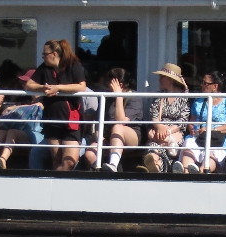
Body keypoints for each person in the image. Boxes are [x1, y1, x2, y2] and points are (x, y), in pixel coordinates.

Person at [26, 39, 89, 172]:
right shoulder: (44, 68)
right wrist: (42, 87)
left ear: (54, 54)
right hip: (52, 119)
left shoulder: (73, 65)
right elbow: (29, 84)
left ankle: (57, 182)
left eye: (45, 54)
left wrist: (57, 88)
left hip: (72, 120)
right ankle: (59, 186)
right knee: (56, 158)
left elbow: (81, 86)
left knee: (69, 161)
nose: (43, 57)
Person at [180, 72, 226, 173]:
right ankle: (186, 172)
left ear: (215, 86)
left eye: (205, 83)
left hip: (219, 138)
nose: (201, 85)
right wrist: (191, 128)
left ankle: (201, 173)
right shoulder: (198, 100)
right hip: (199, 137)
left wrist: (211, 130)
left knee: (213, 152)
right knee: (189, 144)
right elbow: (192, 121)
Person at [140, 64, 191, 173]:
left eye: (162, 77)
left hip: (174, 135)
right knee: (153, 150)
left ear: (170, 80)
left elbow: (182, 121)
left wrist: (166, 132)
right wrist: (159, 127)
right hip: (158, 132)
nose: (159, 80)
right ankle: (154, 165)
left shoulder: (184, 98)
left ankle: (155, 167)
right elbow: (153, 114)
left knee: (166, 148)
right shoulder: (159, 96)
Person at [99, 68, 143, 172]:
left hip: (131, 136)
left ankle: (113, 165)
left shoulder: (135, 98)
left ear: (120, 85)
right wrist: (100, 137)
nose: (107, 85)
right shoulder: (107, 98)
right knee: (91, 152)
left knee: (118, 127)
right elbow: (99, 121)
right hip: (109, 136)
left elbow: (121, 121)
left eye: (110, 82)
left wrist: (119, 96)